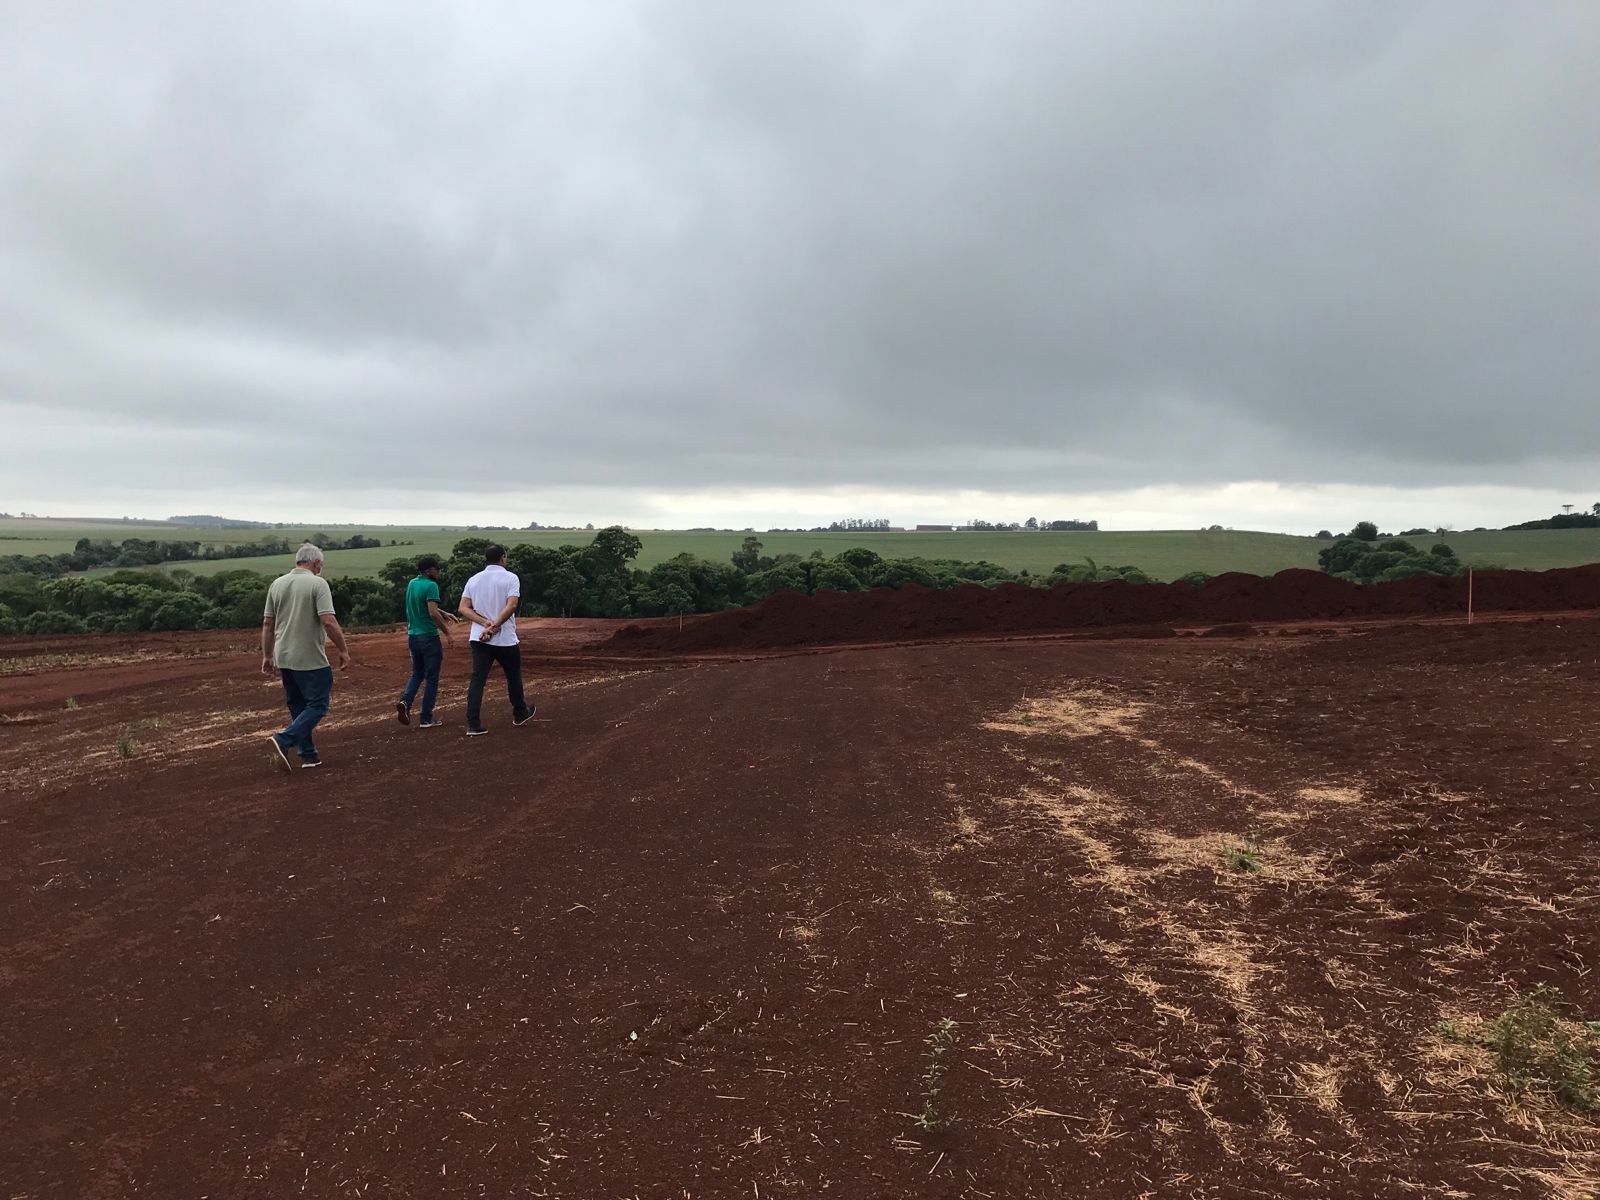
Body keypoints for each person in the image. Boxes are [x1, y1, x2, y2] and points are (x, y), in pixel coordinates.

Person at [261, 543, 350, 771]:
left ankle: (308, 755)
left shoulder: (277, 584)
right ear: (316, 563)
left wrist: (267, 655)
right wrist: (343, 649)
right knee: (318, 705)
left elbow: (268, 624)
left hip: (283, 656)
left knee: (298, 706)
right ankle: (283, 739)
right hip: (309, 657)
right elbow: (328, 621)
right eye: (321, 564)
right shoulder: (318, 584)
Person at [458, 544, 535, 736]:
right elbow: (512, 605)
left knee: (478, 679)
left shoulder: (474, 579)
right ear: (502, 558)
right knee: (513, 675)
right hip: (505, 638)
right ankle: (520, 712)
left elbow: (463, 608)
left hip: (479, 638)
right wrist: (495, 626)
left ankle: (473, 723)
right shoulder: (511, 578)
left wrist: (484, 623)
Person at [395, 555, 460, 728]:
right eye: (437, 570)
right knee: (432, 678)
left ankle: (405, 702)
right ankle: (426, 718)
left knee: (417, 673)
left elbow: (423, 605)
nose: (439, 573)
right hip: (429, 637)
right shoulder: (432, 586)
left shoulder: (412, 583)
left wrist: (444, 613)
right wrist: (448, 633)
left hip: (413, 636)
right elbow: (432, 612)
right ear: (430, 571)